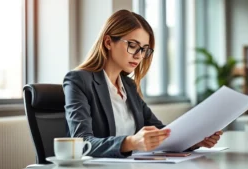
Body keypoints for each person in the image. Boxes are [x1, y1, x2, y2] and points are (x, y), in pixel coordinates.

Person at [63, 9, 222, 158]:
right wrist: (130, 142)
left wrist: (194, 140)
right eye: (132, 45)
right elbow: (81, 143)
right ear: (108, 42)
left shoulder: (129, 86)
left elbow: (160, 132)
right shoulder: (79, 80)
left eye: (144, 49)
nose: (139, 56)